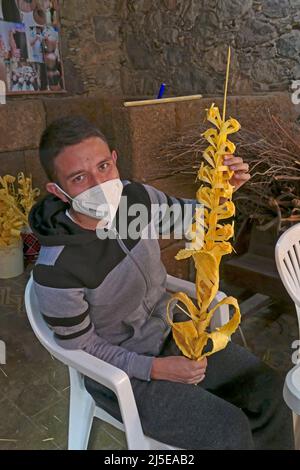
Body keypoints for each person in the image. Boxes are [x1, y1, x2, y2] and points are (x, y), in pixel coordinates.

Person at [29, 116, 294, 450]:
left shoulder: (136, 200)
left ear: (115, 159)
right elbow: (82, 346)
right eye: (80, 178)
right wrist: (153, 368)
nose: (99, 184)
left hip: (172, 331)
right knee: (227, 430)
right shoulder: (57, 270)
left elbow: (195, 218)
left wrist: (223, 188)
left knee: (270, 390)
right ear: (58, 191)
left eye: (104, 166)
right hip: (123, 371)